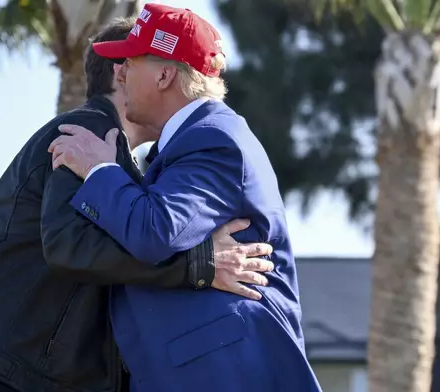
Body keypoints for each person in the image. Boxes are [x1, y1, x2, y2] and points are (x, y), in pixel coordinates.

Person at [0, 17, 275, 392]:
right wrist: (199, 265)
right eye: (126, 63)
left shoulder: (117, 161)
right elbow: (68, 247)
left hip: (8, 371)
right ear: (120, 75)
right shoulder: (85, 134)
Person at [49, 4, 322, 392]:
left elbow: (154, 231)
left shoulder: (214, 139)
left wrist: (99, 169)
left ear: (164, 74)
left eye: (130, 61)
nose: (120, 72)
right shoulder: (194, 139)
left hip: (223, 374)